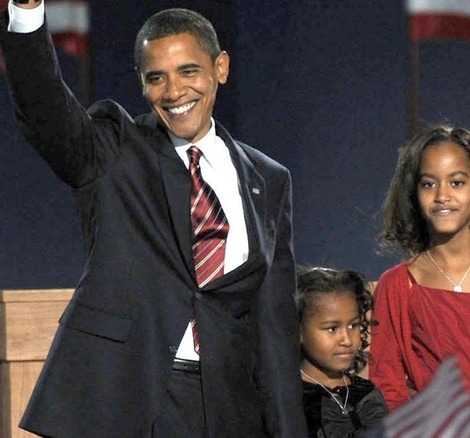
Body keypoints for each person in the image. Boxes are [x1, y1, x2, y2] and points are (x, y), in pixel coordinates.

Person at [1, 2, 305, 437]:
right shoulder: (114, 151)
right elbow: (44, 107)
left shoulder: (269, 180)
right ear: (142, 86)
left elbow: (275, 326)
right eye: (156, 78)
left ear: (220, 67)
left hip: (227, 404)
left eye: (188, 71)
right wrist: (27, 14)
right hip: (125, 397)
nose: (174, 91)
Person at [369, 125, 470, 437]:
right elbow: (387, 385)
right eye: (429, 184)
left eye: (456, 182)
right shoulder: (399, 285)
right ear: (413, 193)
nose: (442, 196)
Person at [296, 267, 389, 437]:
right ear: (299, 330)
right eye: (332, 328)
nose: (347, 340)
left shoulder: (367, 394)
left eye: (353, 325)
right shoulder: (289, 401)